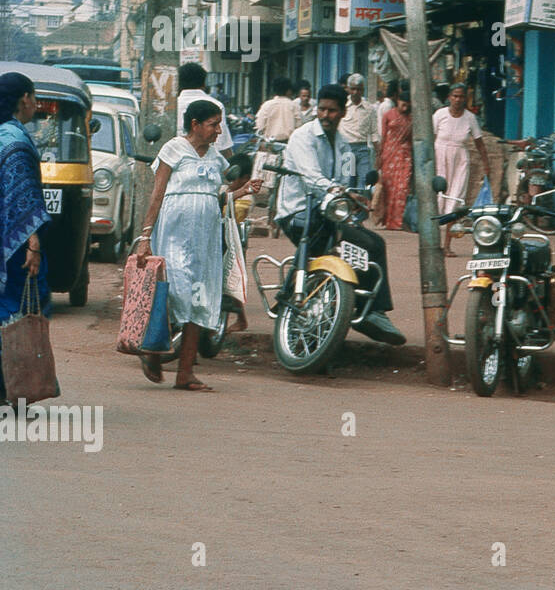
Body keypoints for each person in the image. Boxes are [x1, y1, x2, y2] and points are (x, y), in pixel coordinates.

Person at [137, 99, 260, 392]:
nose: (219, 131)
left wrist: (243, 190)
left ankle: (185, 373)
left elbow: (217, 198)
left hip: (206, 238)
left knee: (200, 300)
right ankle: (153, 350)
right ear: (195, 125)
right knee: (176, 292)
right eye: (213, 124)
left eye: (219, 124)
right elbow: (157, 194)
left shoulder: (217, 160)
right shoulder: (173, 150)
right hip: (174, 233)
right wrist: (145, 237)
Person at [275, 84, 405, 346]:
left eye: (332, 110)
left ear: (343, 112)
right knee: (321, 244)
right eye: (322, 109)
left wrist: (354, 196)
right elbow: (312, 177)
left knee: (373, 244)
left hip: (331, 214)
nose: (325, 115)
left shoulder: (345, 146)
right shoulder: (303, 137)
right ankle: (292, 299)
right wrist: (340, 191)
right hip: (298, 212)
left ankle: (373, 311)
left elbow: (346, 179)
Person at [0, 73, 53, 404]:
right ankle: (9, 388)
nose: (36, 104)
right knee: (18, 313)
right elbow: (24, 199)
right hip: (15, 244)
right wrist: (33, 243)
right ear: (24, 100)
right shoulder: (16, 142)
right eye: (34, 98)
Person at [433, 83, 490, 255]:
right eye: (455, 96)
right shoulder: (440, 114)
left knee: (455, 201)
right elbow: (429, 139)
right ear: (449, 97)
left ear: (466, 98)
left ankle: (447, 245)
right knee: (437, 200)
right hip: (439, 158)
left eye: (461, 96)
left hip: (460, 162)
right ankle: (433, 244)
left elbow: (479, 143)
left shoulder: (470, 118)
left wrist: (486, 164)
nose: (458, 100)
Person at [177, 62, 233, 159]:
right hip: (209, 163)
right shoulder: (216, 105)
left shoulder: (172, 106)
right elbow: (222, 144)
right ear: (203, 83)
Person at [377, 80, 413, 230]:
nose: (405, 107)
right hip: (389, 154)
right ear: (398, 101)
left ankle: (397, 221)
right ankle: (388, 220)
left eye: (408, 105)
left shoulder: (413, 118)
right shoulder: (388, 115)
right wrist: (379, 156)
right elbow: (383, 136)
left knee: (402, 188)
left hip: (405, 155)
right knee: (388, 188)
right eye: (403, 104)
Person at [338, 73, 377, 189]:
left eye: (359, 89)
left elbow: (374, 133)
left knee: (364, 182)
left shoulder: (369, 109)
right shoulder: (342, 106)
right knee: (347, 181)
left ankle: (360, 206)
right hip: (346, 150)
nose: (355, 92)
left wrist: (378, 153)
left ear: (363, 90)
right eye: (353, 89)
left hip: (363, 149)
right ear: (348, 89)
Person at [255, 76, 299, 144]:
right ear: (288, 90)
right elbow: (299, 125)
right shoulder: (294, 106)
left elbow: (260, 126)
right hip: (289, 143)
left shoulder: (266, 105)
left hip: (270, 144)